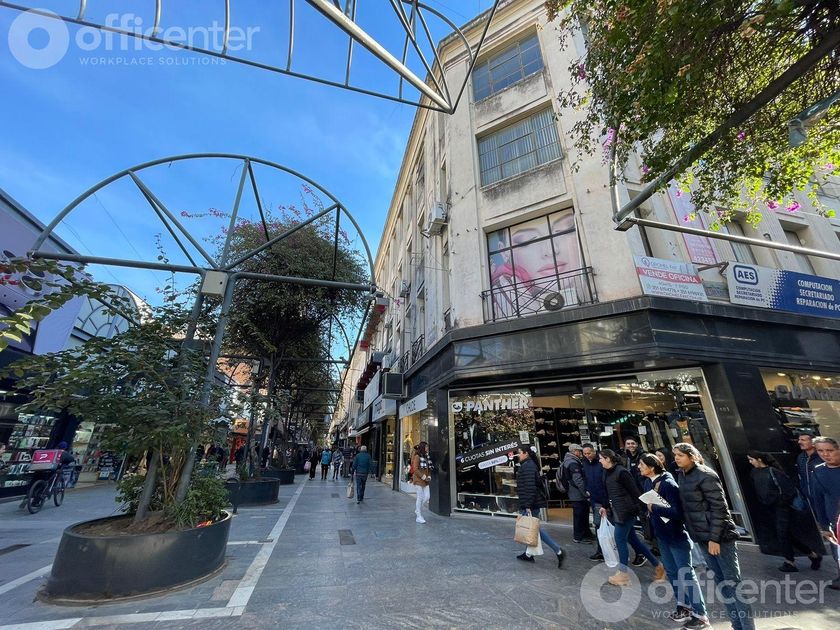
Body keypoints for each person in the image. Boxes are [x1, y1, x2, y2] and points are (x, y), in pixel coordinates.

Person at [674, 442, 754, 630]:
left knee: (733, 583)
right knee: (722, 583)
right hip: (702, 537)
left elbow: (720, 509)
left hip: (719, 538)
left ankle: (747, 627)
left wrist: (714, 539)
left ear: (692, 456)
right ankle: (737, 625)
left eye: (680, 455)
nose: (676, 458)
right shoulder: (683, 475)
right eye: (675, 455)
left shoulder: (706, 475)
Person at [639, 453, 710, 629]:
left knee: (686, 573)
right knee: (671, 572)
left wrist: (654, 508)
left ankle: (700, 614)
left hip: (676, 535)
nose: (638, 467)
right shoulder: (648, 482)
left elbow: (678, 512)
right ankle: (683, 606)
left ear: (651, 467)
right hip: (662, 535)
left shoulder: (668, 484)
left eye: (642, 464)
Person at [747, 451, 822, 572]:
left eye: (752, 459)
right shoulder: (754, 472)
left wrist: (781, 502)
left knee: (783, 534)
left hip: (782, 508)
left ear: (759, 459)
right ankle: (813, 555)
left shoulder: (773, 471)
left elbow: (788, 489)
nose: (750, 462)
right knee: (786, 535)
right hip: (769, 508)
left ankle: (789, 562)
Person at [598, 449, 663, 586]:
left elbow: (635, 492)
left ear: (608, 459)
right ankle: (658, 566)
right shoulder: (607, 472)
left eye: (601, 458)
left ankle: (623, 574)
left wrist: (643, 509)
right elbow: (607, 491)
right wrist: (604, 506)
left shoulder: (622, 472)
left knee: (620, 539)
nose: (600, 461)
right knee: (634, 541)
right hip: (618, 511)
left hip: (626, 512)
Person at [515, 446, 564, 568]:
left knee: (534, 529)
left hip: (531, 503)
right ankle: (528, 554)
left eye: (520, 453)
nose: (518, 455)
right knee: (532, 528)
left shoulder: (528, 466)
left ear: (526, 453)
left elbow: (530, 487)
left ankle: (558, 550)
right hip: (531, 502)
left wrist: (528, 505)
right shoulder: (528, 464)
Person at [811, 436, 840, 590]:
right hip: (834, 519)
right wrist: (823, 525)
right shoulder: (818, 471)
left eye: (829, 450)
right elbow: (818, 500)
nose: (825, 454)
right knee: (837, 550)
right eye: (820, 451)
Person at [562, 443, 593, 543]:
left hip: (576, 493)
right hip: (577, 494)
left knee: (583, 514)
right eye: (579, 451)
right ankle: (579, 537)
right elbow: (578, 480)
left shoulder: (570, 460)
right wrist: (585, 493)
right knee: (579, 516)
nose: (581, 453)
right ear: (574, 451)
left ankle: (586, 533)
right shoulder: (573, 463)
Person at [582, 443, 606, 561]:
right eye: (585, 454)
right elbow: (585, 478)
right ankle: (600, 551)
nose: (587, 455)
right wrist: (587, 489)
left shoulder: (601, 462)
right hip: (595, 499)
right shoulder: (585, 463)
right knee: (598, 525)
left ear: (594, 451)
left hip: (605, 498)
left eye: (589, 453)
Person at [797, 434, 823, 508]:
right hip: (809, 496)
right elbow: (801, 476)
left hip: (824, 495)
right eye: (799, 440)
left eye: (803, 440)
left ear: (813, 442)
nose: (799, 442)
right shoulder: (801, 457)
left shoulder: (822, 456)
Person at [411, 441, 433, 523]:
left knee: (427, 496)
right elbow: (415, 469)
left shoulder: (427, 457)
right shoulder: (417, 456)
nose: (427, 448)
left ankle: (417, 509)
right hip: (418, 479)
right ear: (423, 448)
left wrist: (429, 476)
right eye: (426, 447)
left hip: (425, 480)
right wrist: (424, 477)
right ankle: (418, 516)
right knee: (420, 497)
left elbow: (429, 468)